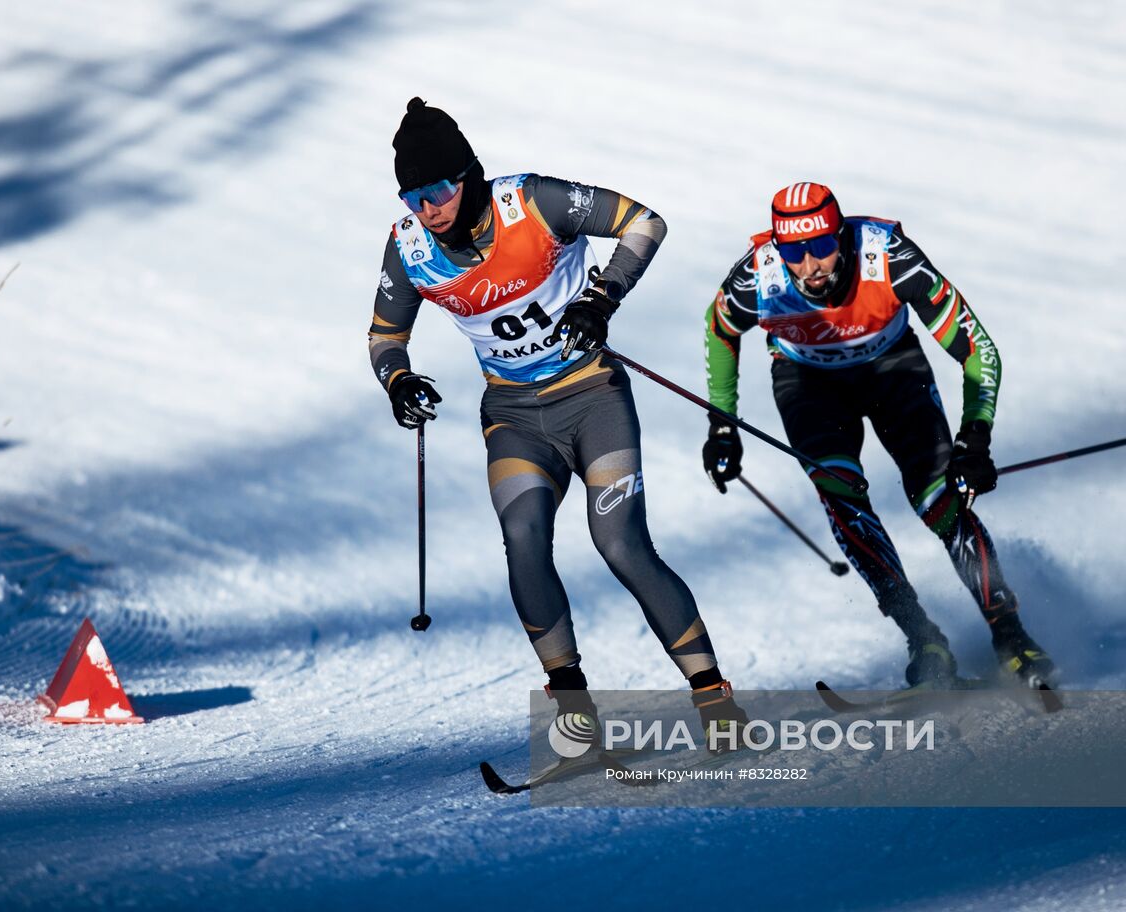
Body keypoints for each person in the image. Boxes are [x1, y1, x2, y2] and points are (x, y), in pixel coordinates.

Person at [368, 98, 746, 745]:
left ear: (468, 175)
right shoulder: (410, 248)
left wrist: (602, 299)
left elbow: (644, 223)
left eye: (437, 191)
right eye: (413, 198)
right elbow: (383, 335)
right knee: (524, 540)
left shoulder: (533, 203)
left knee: (620, 543)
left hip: (593, 396)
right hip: (514, 416)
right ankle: (575, 713)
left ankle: (714, 701)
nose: (428, 210)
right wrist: (397, 380)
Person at [700, 181, 1056, 688]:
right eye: (795, 252)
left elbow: (979, 349)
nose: (810, 266)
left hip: (893, 370)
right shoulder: (758, 275)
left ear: (842, 238)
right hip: (809, 383)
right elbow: (720, 330)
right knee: (842, 496)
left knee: (938, 499)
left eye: (821, 247)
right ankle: (923, 637)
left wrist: (975, 438)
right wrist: (722, 424)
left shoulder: (888, 257)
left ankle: (1011, 634)